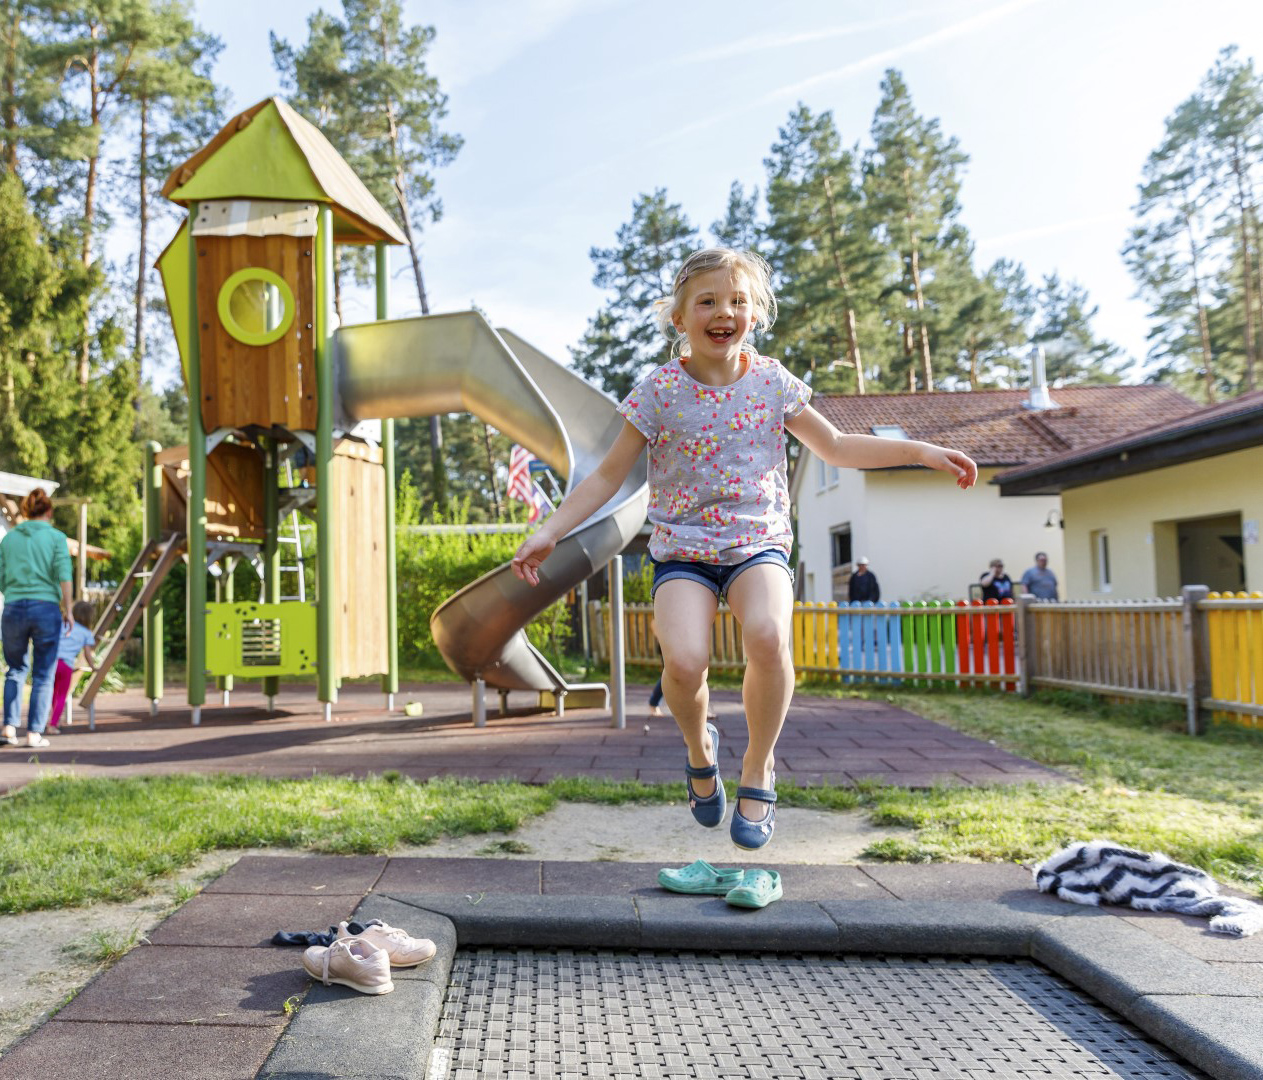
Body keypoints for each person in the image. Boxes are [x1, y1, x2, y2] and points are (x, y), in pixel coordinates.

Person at [511, 247, 977, 849]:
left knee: (767, 635)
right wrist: (549, 530)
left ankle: (758, 767)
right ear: (680, 318)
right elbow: (606, 478)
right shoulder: (657, 392)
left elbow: (833, 447)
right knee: (683, 662)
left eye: (737, 301)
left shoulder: (771, 383)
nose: (722, 311)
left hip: (758, 543)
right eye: (707, 301)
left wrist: (917, 451)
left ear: (755, 314)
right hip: (684, 549)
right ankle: (699, 745)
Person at [0, 488, 73, 748]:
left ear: (27, 511)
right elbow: (64, 574)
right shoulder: (56, 538)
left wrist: (14, 595)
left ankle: (8, 728)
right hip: (46, 609)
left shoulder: (9, 539)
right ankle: (33, 734)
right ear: (49, 511)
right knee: (43, 673)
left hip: (13, 608)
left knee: (15, 669)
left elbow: (1, 576)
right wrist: (69, 609)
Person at [48, 600, 99, 731]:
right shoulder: (86, 633)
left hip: (52, 662)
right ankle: (53, 724)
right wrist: (93, 667)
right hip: (66, 665)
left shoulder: (64, 625)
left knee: (52, 693)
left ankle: (50, 720)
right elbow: (87, 654)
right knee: (61, 696)